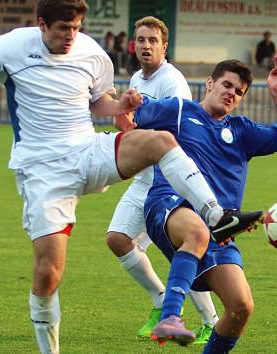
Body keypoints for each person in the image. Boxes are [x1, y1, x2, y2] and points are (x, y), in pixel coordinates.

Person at [0, 1, 258, 353]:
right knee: (48, 273)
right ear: (41, 25)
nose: (72, 36)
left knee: (161, 142)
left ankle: (216, 216)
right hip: (43, 170)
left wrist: (121, 105)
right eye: (63, 29)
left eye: (77, 28)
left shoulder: (90, 51)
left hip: (86, 151)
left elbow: (97, 100)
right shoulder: (10, 47)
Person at [124, 55, 277, 351]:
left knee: (241, 307)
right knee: (197, 233)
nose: (231, 93)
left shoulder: (242, 131)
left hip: (219, 231)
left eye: (239, 91)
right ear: (210, 83)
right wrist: (130, 101)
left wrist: (276, 92)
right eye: (227, 85)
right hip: (169, 204)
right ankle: (169, 317)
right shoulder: (180, 111)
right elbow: (133, 114)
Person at [106, 16, 220, 345]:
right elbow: (132, 127)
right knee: (116, 238)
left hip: (168, 182)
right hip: (144, 178)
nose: (145, 46)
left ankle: (211, 321)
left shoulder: (172, 81)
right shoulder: (137, 79)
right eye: (140, 40)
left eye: (152, 41)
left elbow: (183, 130)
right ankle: (160, 301)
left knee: (181, 249)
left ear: (164, 46)